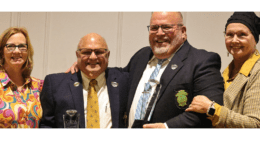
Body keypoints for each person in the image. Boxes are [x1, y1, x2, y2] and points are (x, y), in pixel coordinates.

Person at [68, 12, 224, 128]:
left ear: (183, 31)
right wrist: (87, 66)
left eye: (166, 27)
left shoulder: (202, 61)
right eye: (154, 28)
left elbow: (208, 110)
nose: (160, 33)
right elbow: (119, 76)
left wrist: (167, 128)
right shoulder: (142, 55)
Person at [185, 12, 260, 128]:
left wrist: (211, 109)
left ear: (255, 39)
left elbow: (255, 125)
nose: (234, 40)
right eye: (230, 34)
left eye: (242, 35)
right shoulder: (226, 71)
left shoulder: (258, 71)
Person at [40, 33, 129, 128]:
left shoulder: (124, 81)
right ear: (77, 55)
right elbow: (46, 126)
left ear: (108, 55)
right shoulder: (55, 85)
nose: (93, 57)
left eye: (99, 52)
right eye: (86, 52)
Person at [0, 27, 43, 128]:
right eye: (10, 46)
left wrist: (77, 67)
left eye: (22, 46)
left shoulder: (39, 86)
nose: (17, 51)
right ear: (2, 52)